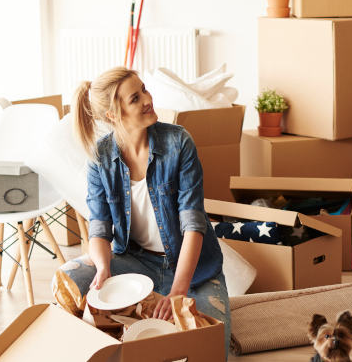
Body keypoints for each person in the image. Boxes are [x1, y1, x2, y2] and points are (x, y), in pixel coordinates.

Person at [59, 66, 230, 359]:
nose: (148, 99)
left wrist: (178, 290)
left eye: (144, 90)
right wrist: (103, 269)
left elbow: (193, 224)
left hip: (194, 270)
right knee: (69, 278)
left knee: (209, 345)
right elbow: (100, 227)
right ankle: (119, 330)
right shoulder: (100, 158)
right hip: (136, 263)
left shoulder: (179, 143)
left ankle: (147, 312)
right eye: (135, 98)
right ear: (113, 115)